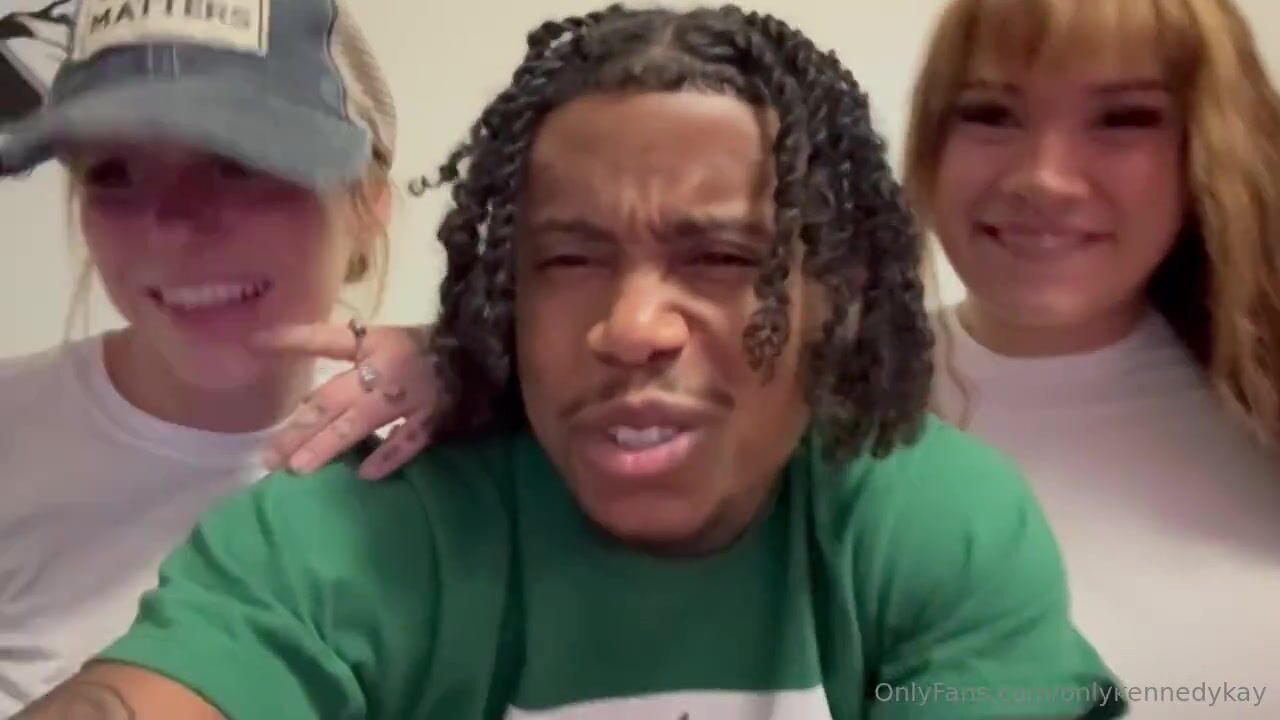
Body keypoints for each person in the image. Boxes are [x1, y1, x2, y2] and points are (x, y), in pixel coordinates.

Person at [19, 5, 1127, 719]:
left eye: (720, 257)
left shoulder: (928, 523)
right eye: (569, 258)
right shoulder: (344, 531)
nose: (631, 326)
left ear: (836, 290)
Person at [0, 0, 437, 713]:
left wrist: (492, 370)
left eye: (239, 162)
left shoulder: (445, 448)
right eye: (113, 172)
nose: (174, 224)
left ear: (368, 204)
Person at [902, 0, 1280, 714]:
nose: (1043, 178)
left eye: (1123, 119)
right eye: (991, 114)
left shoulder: (1262, 411)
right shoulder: (809, 418)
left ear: (1209, 148)